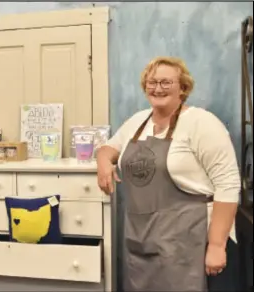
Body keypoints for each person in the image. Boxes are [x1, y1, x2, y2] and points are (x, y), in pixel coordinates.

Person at [96, 56, 240, 291]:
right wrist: (103, 162)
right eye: (152, 82)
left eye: (166, 82)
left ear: (183, 87)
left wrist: (216, 245)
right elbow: (109, 148)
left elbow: (228, 184)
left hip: (185, 241)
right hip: (139, 241)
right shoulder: (137, 122)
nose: (157, 88)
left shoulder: (202, 123)